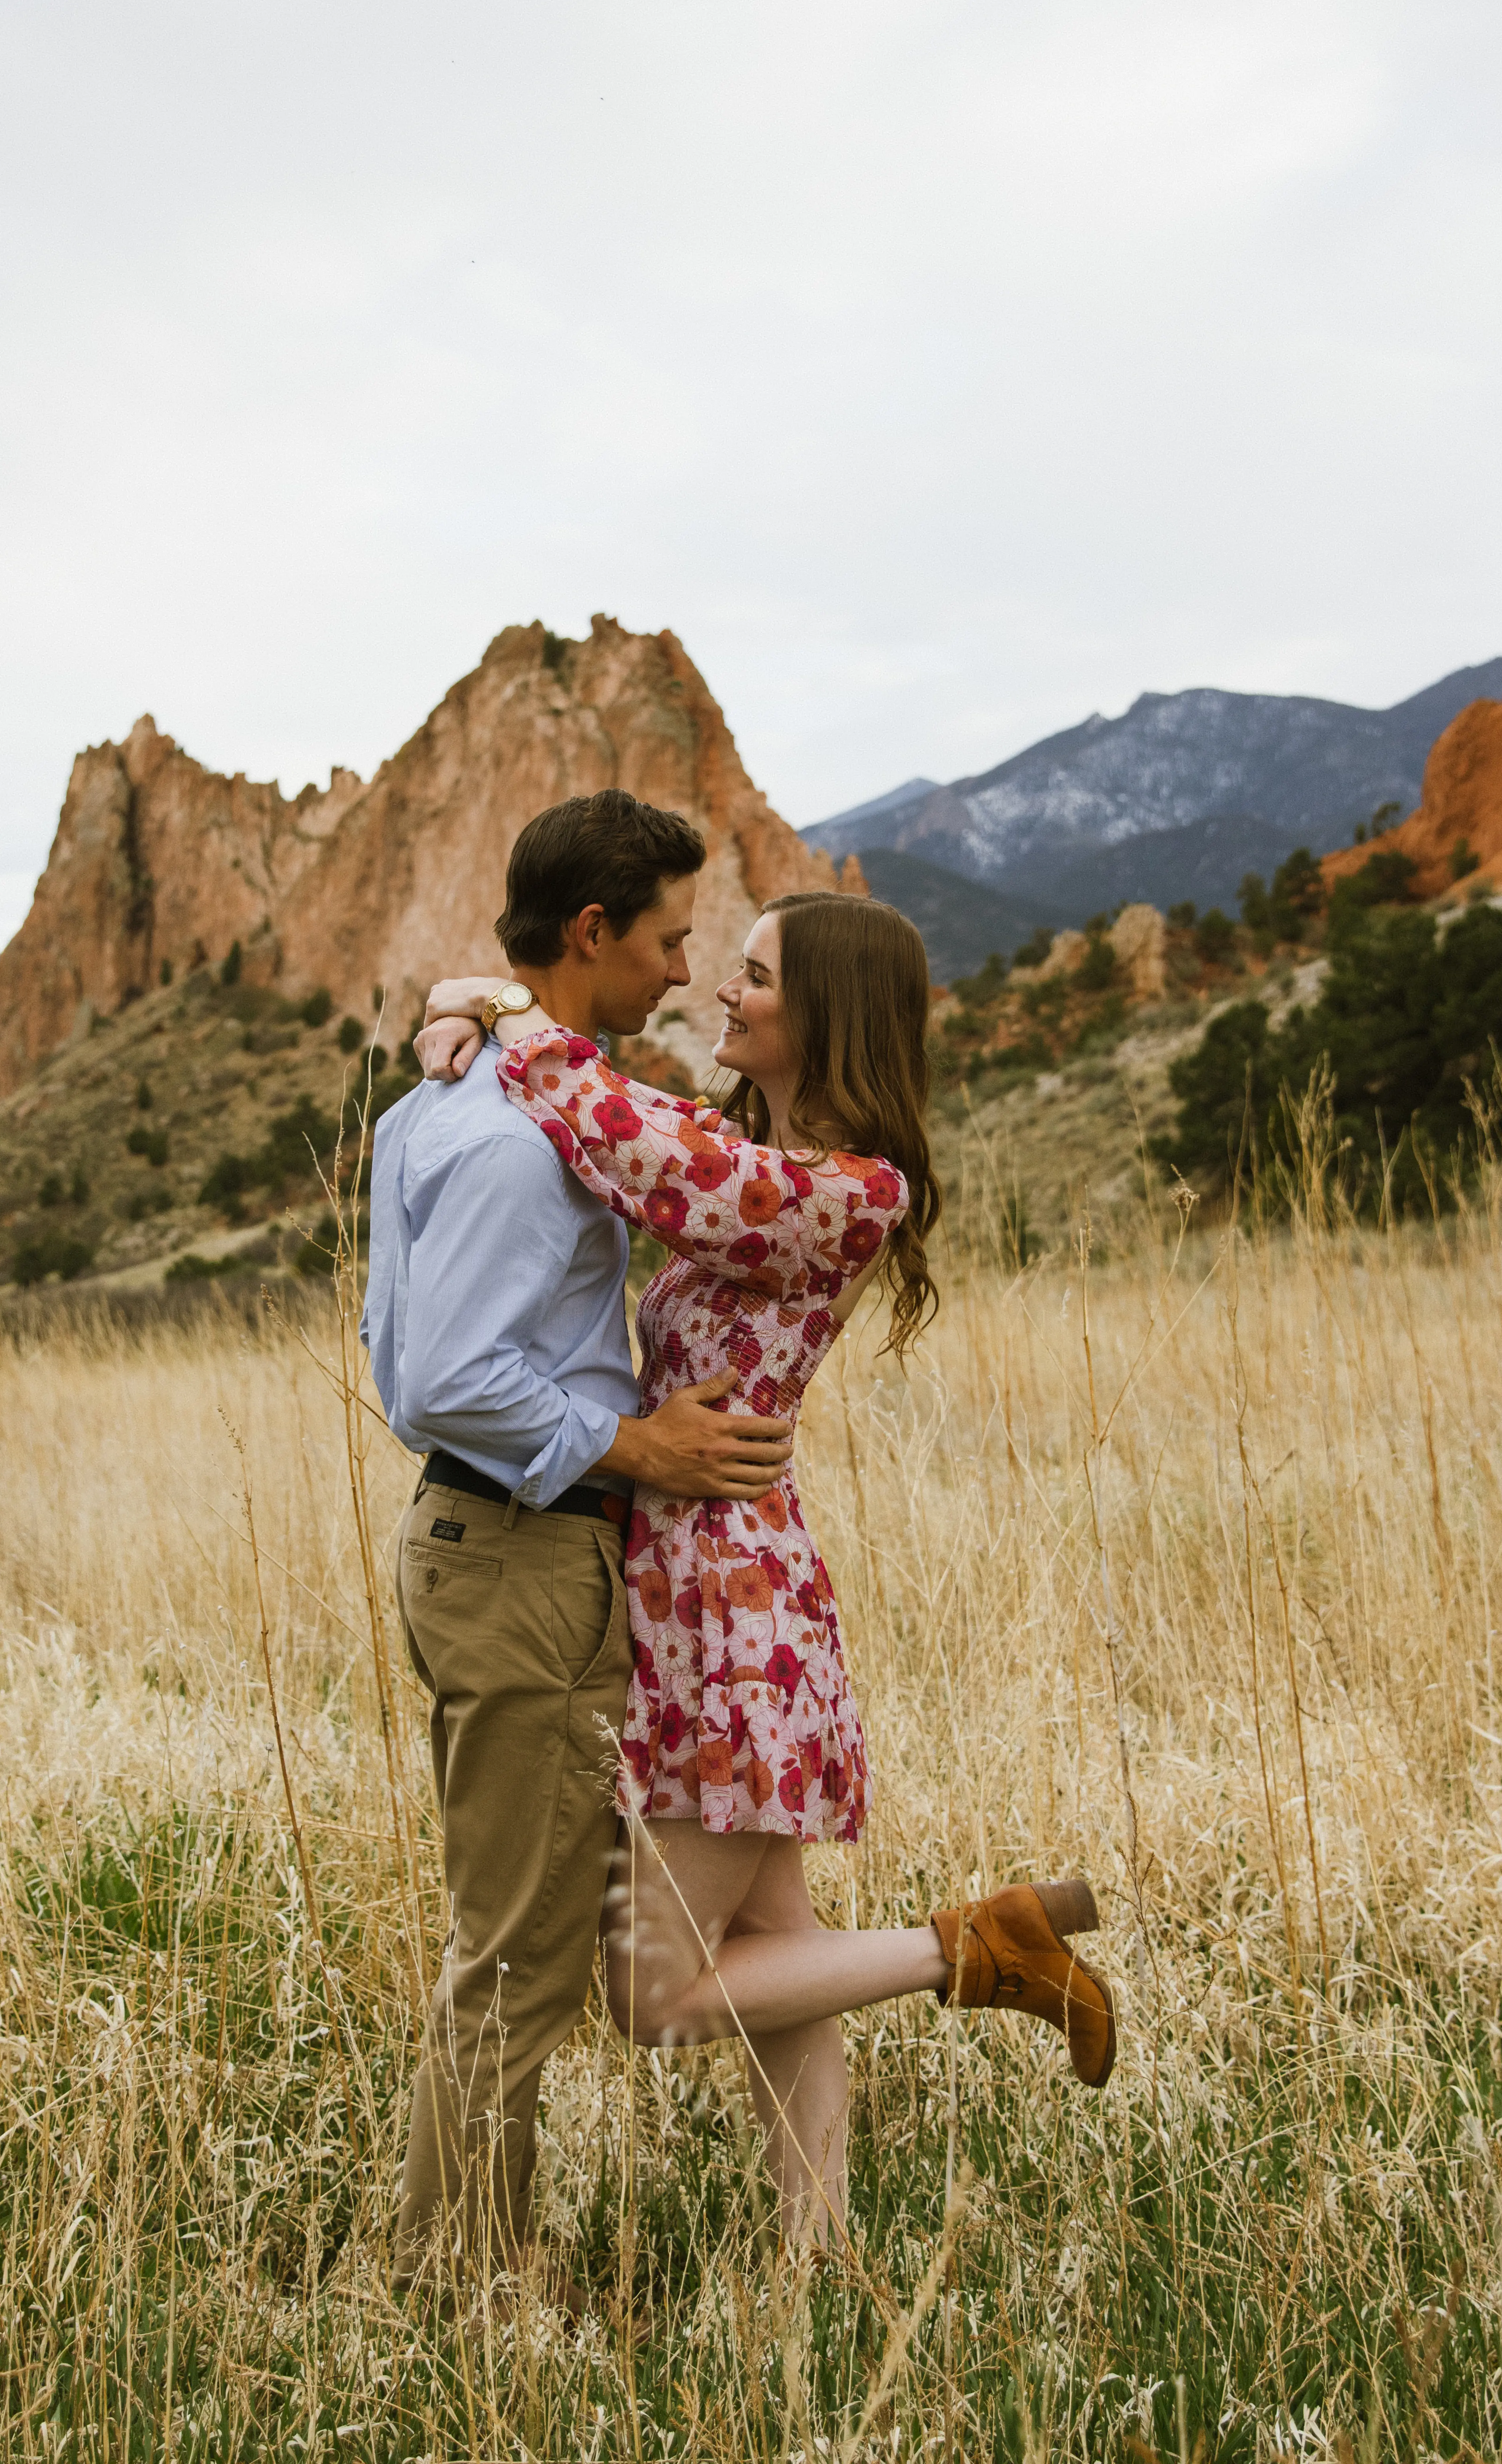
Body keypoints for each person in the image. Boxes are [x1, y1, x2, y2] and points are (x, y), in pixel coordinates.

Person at [419, 890, 1115, 2261]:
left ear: (827, 1014)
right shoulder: (763, 1154)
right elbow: (648, 1135)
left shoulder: (845, 1195)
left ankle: (981, 1943)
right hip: (694, 1587)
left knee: (650, 1990)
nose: (720, 994)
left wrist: (500, 1010)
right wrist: (472, 1007)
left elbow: (637, 1151)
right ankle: (821, 2264)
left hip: (737, 1623)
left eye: (753, 977)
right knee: (784, 1951)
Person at [362, 790, 798, 2292]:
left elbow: (396, 1353)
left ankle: (458, 2251)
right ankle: (455, 2277)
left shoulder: (445, 1100)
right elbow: (438, 1382)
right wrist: (639, 1444)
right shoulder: (508, 1147)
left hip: (493, 1550)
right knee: (526, 1956)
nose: (687, 972)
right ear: (592, 931)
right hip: (526, 1555)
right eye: (671, 940)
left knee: (522, 1933)